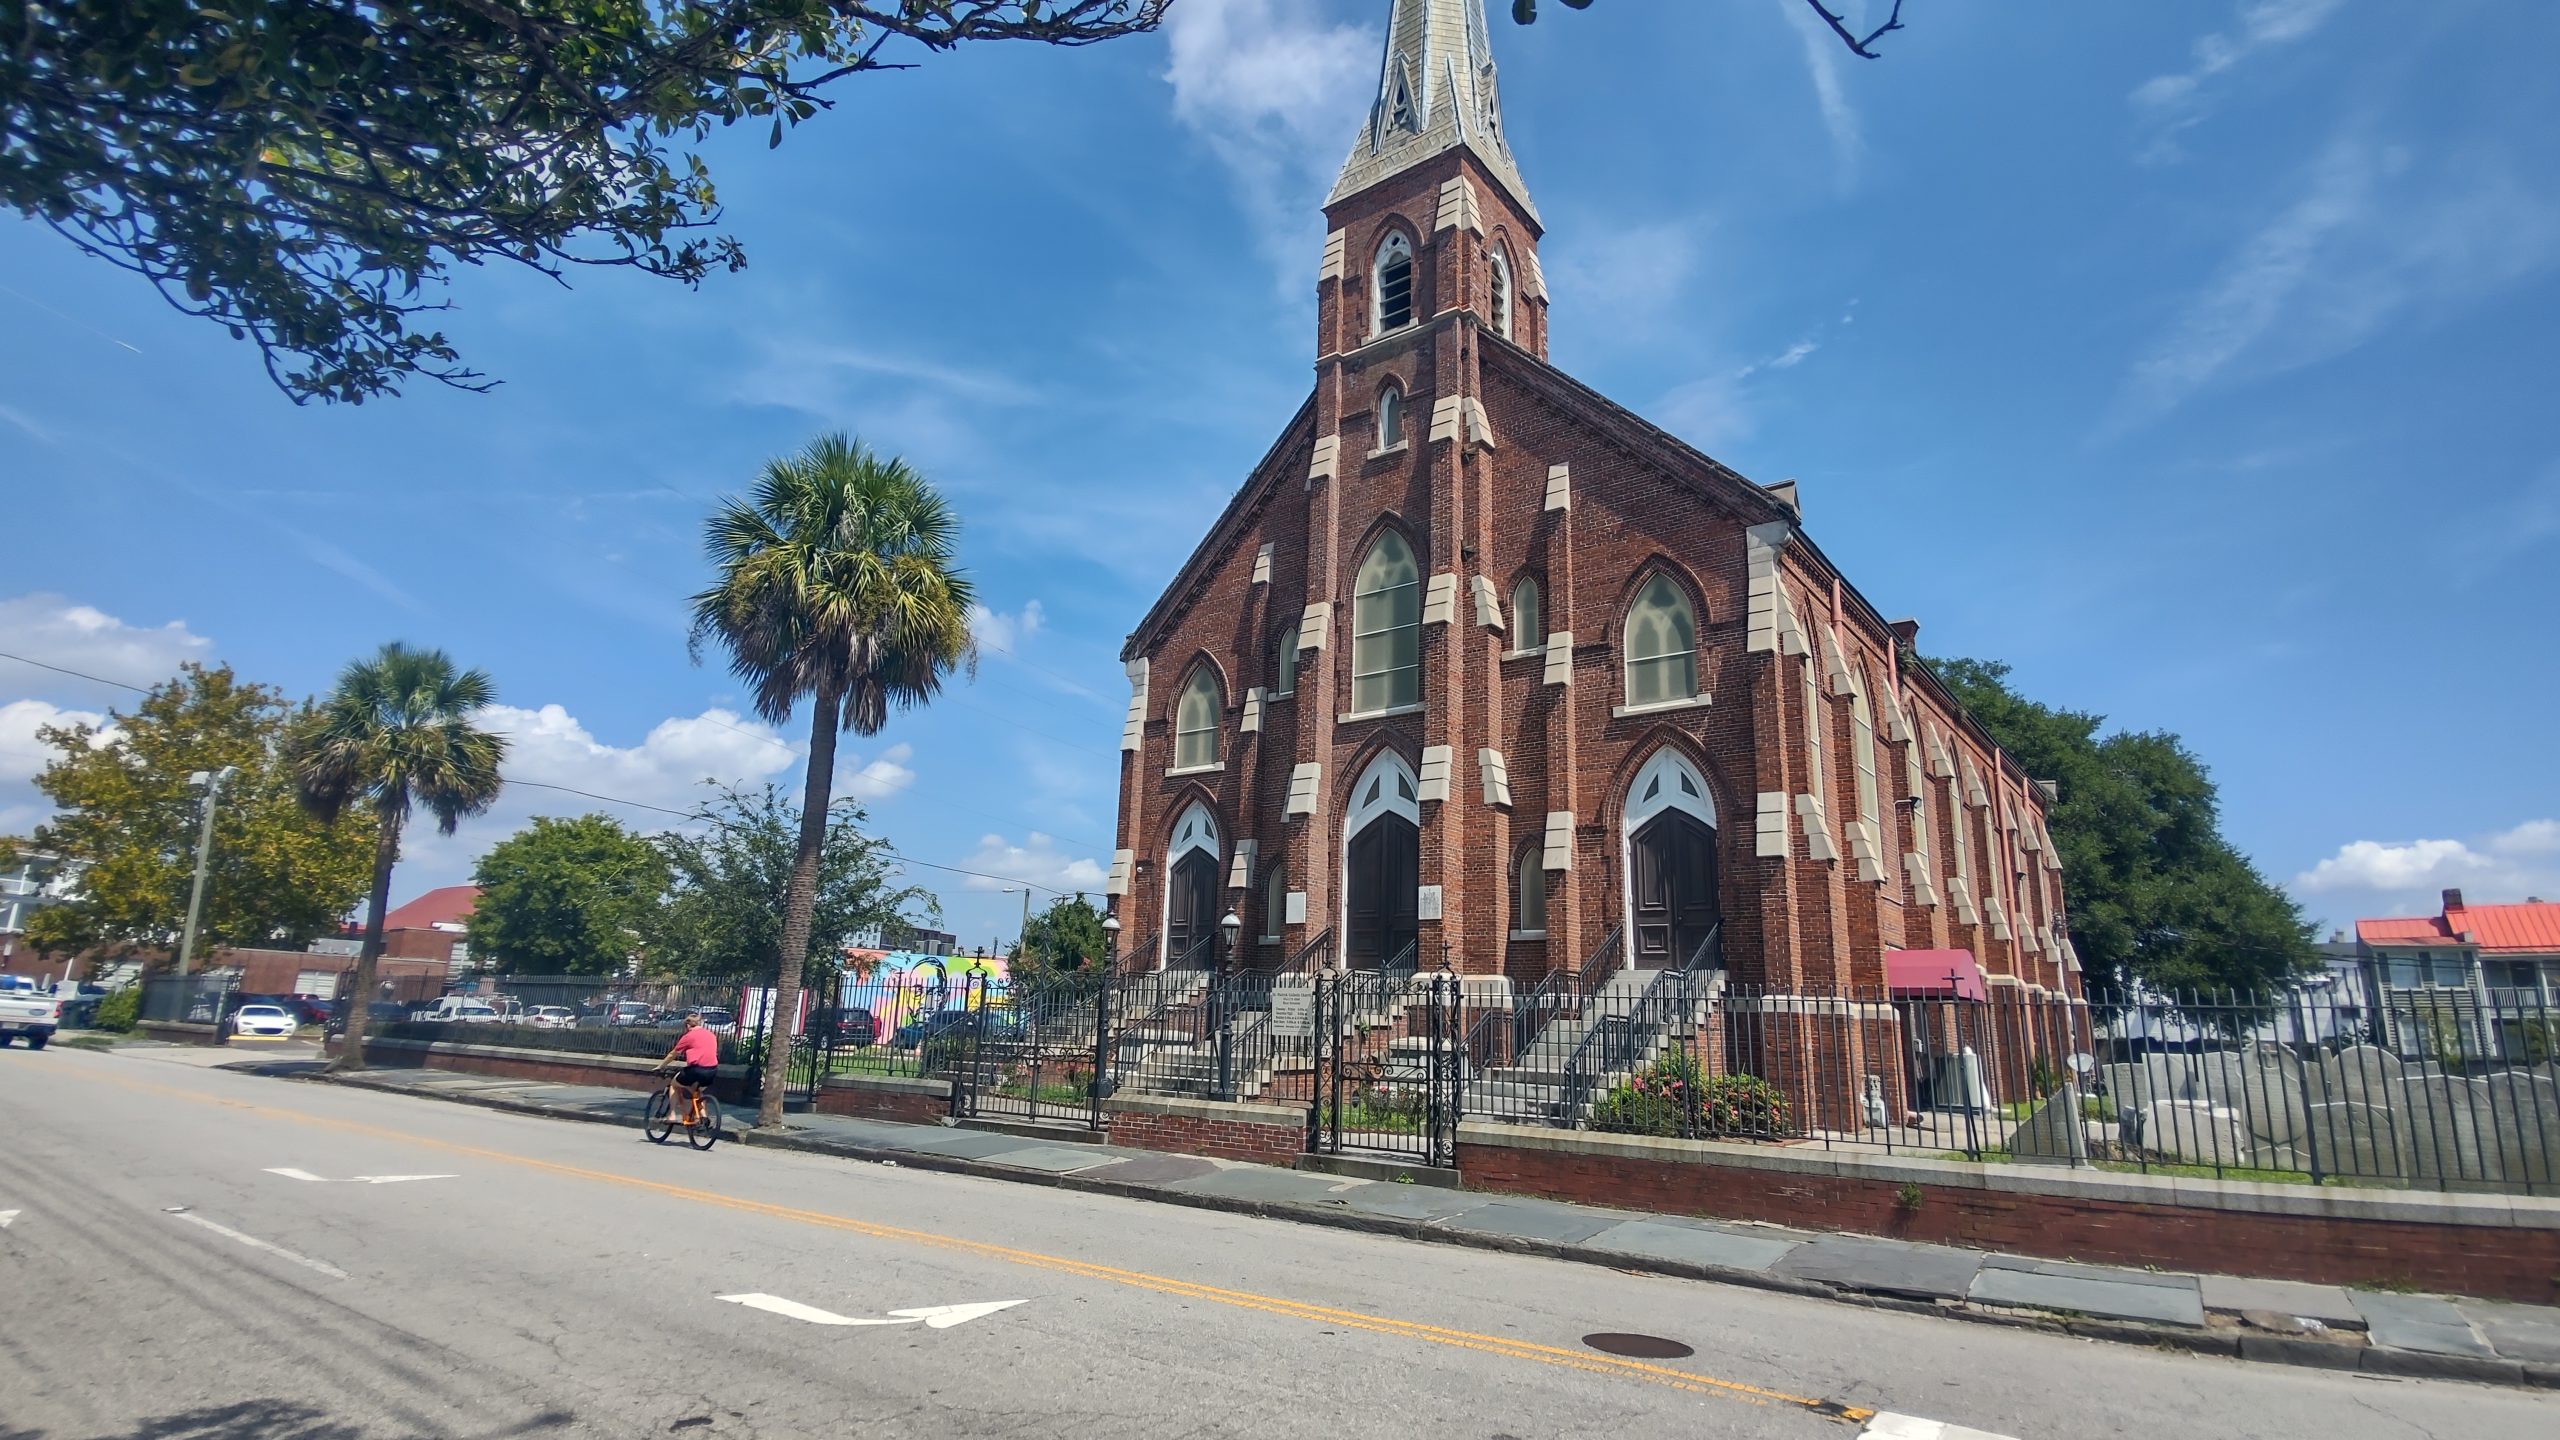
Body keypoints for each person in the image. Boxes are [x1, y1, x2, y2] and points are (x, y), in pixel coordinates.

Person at [658, 1013, 719, 1112]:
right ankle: (703, 1118)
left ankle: (671, 1115)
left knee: (674, 1084)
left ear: (688, 1025)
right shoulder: (711, 1035)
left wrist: (661, 1066)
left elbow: (673, 1054)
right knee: (697, 1091)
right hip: (712, 1070)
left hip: (697, 1069)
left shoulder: (689, 1036)